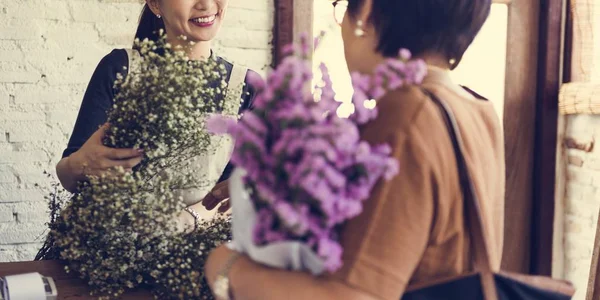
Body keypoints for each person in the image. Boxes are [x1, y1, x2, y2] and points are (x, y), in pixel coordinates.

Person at [204, 0, 505, 299]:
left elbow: (353, 295)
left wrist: (226, 266)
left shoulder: (407, 116)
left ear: (366, 11)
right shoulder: (474, 109)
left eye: (343, 7)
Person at [55, 0, 256, 228]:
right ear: (155, 4)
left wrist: (185, 220)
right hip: (110, 244)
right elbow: (69, 176)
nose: (207, 4)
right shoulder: (121, 69)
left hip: (201, 249)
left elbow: (235, 193)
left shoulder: (245, 87)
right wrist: (79, 164)